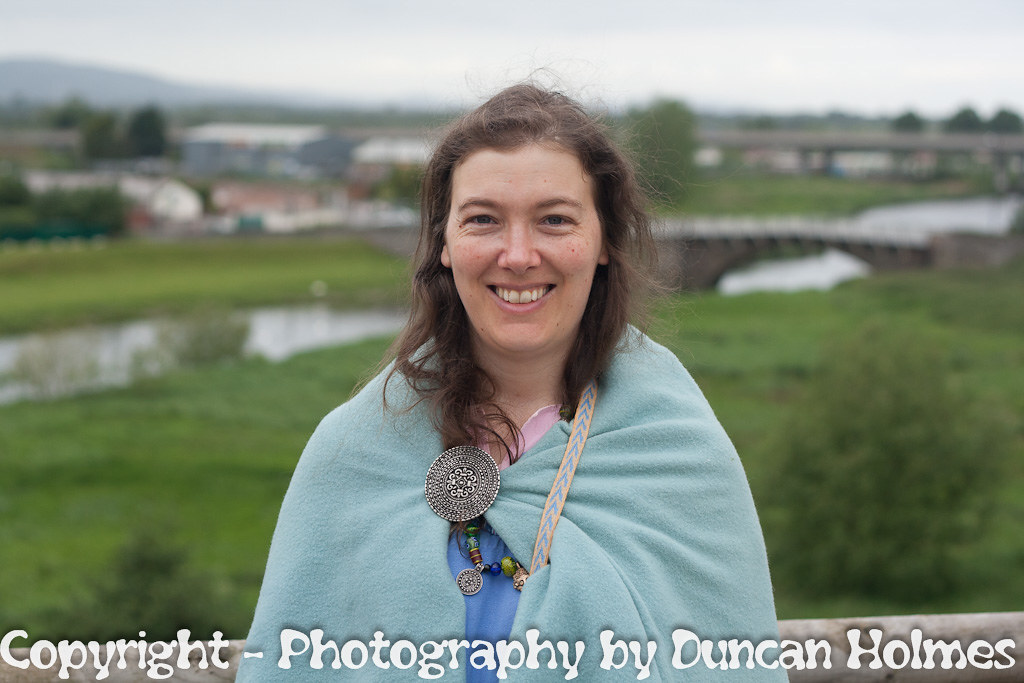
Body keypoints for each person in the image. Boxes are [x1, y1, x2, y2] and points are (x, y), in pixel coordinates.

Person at [237, 84, 784, 681]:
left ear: (603, 241)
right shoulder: (352, 453)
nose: (518, 255)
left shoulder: (677, 452)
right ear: (444, 244)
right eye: (483, 221)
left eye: (554, 220)